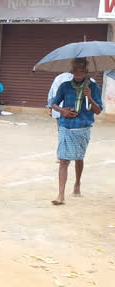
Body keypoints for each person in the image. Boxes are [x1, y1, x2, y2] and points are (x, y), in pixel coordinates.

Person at [50, 58, 102, 205]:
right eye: (75, 71)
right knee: (63, 161)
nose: (78, 73)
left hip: (83, 127)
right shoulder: (65, 86)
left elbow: (98, 111)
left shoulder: (93, 87)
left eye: (82, 71)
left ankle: (77, 183)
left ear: (86, 72)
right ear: (71, 71)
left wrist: (90, 98)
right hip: (65, 126)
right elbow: (52, 103)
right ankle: (60, 195)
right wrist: (62, 110)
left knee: (79, 158)